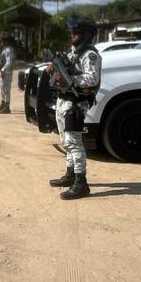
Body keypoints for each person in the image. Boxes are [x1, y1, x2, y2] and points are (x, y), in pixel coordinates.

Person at [48, 17, 102, 200]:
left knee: (74, 142)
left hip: (76, 104)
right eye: (71, 32)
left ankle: (81, 183)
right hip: (64, 100)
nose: (72, 35)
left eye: (76, 32)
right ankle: (71, 175)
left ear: (86, 34)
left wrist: (69, 80)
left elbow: (92, 79)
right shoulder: (75, 52)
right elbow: (64, 68)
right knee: (65, 140)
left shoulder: (90, 55)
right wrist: (53, 69)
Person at [0, 36, 17, 114]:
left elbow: (9, 62)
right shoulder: (5, 50)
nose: (1, 43)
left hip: (7, 72)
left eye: (2, 42)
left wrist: (3, 69)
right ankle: (3, 104)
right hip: (3, 72)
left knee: (6, 89)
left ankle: (7, 107)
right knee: (2, 89)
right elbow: (0, 59)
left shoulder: (9, 50)